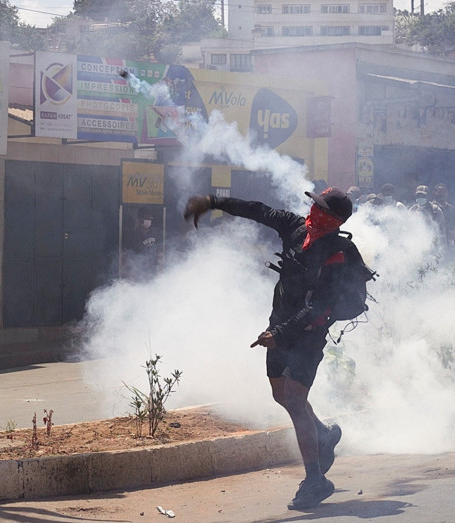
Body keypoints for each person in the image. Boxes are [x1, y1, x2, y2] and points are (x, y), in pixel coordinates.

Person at [183, 187, 353, 510]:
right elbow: (257, 209)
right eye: (315, 205)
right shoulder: (295, 227)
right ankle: (323, 434)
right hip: (277, 325)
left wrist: (280, 333)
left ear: (335, 220)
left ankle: (315, 480)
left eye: (322, 209)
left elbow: (319, 306)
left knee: (295, 399)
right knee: (280, 394)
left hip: (308, 334)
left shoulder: (336, 253)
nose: (314, 211)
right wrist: (213, 202)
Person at [122, 207, 163, 279]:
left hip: (153, 272)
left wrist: (160, 268)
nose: (149, 221)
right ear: (140, 219)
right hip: (138, 273)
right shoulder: (133, 236)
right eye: (147, 218)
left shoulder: (155, 233)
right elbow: (126, 256)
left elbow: (159, 252)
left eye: (150, 218)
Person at [431, 183, 455, 250]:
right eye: (439, 192)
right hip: (434, 241)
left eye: (444, 192)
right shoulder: (430, 208)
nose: (442, 194)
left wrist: (452, 235)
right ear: (434, 193)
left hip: (449, 243)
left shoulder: (452, 209)